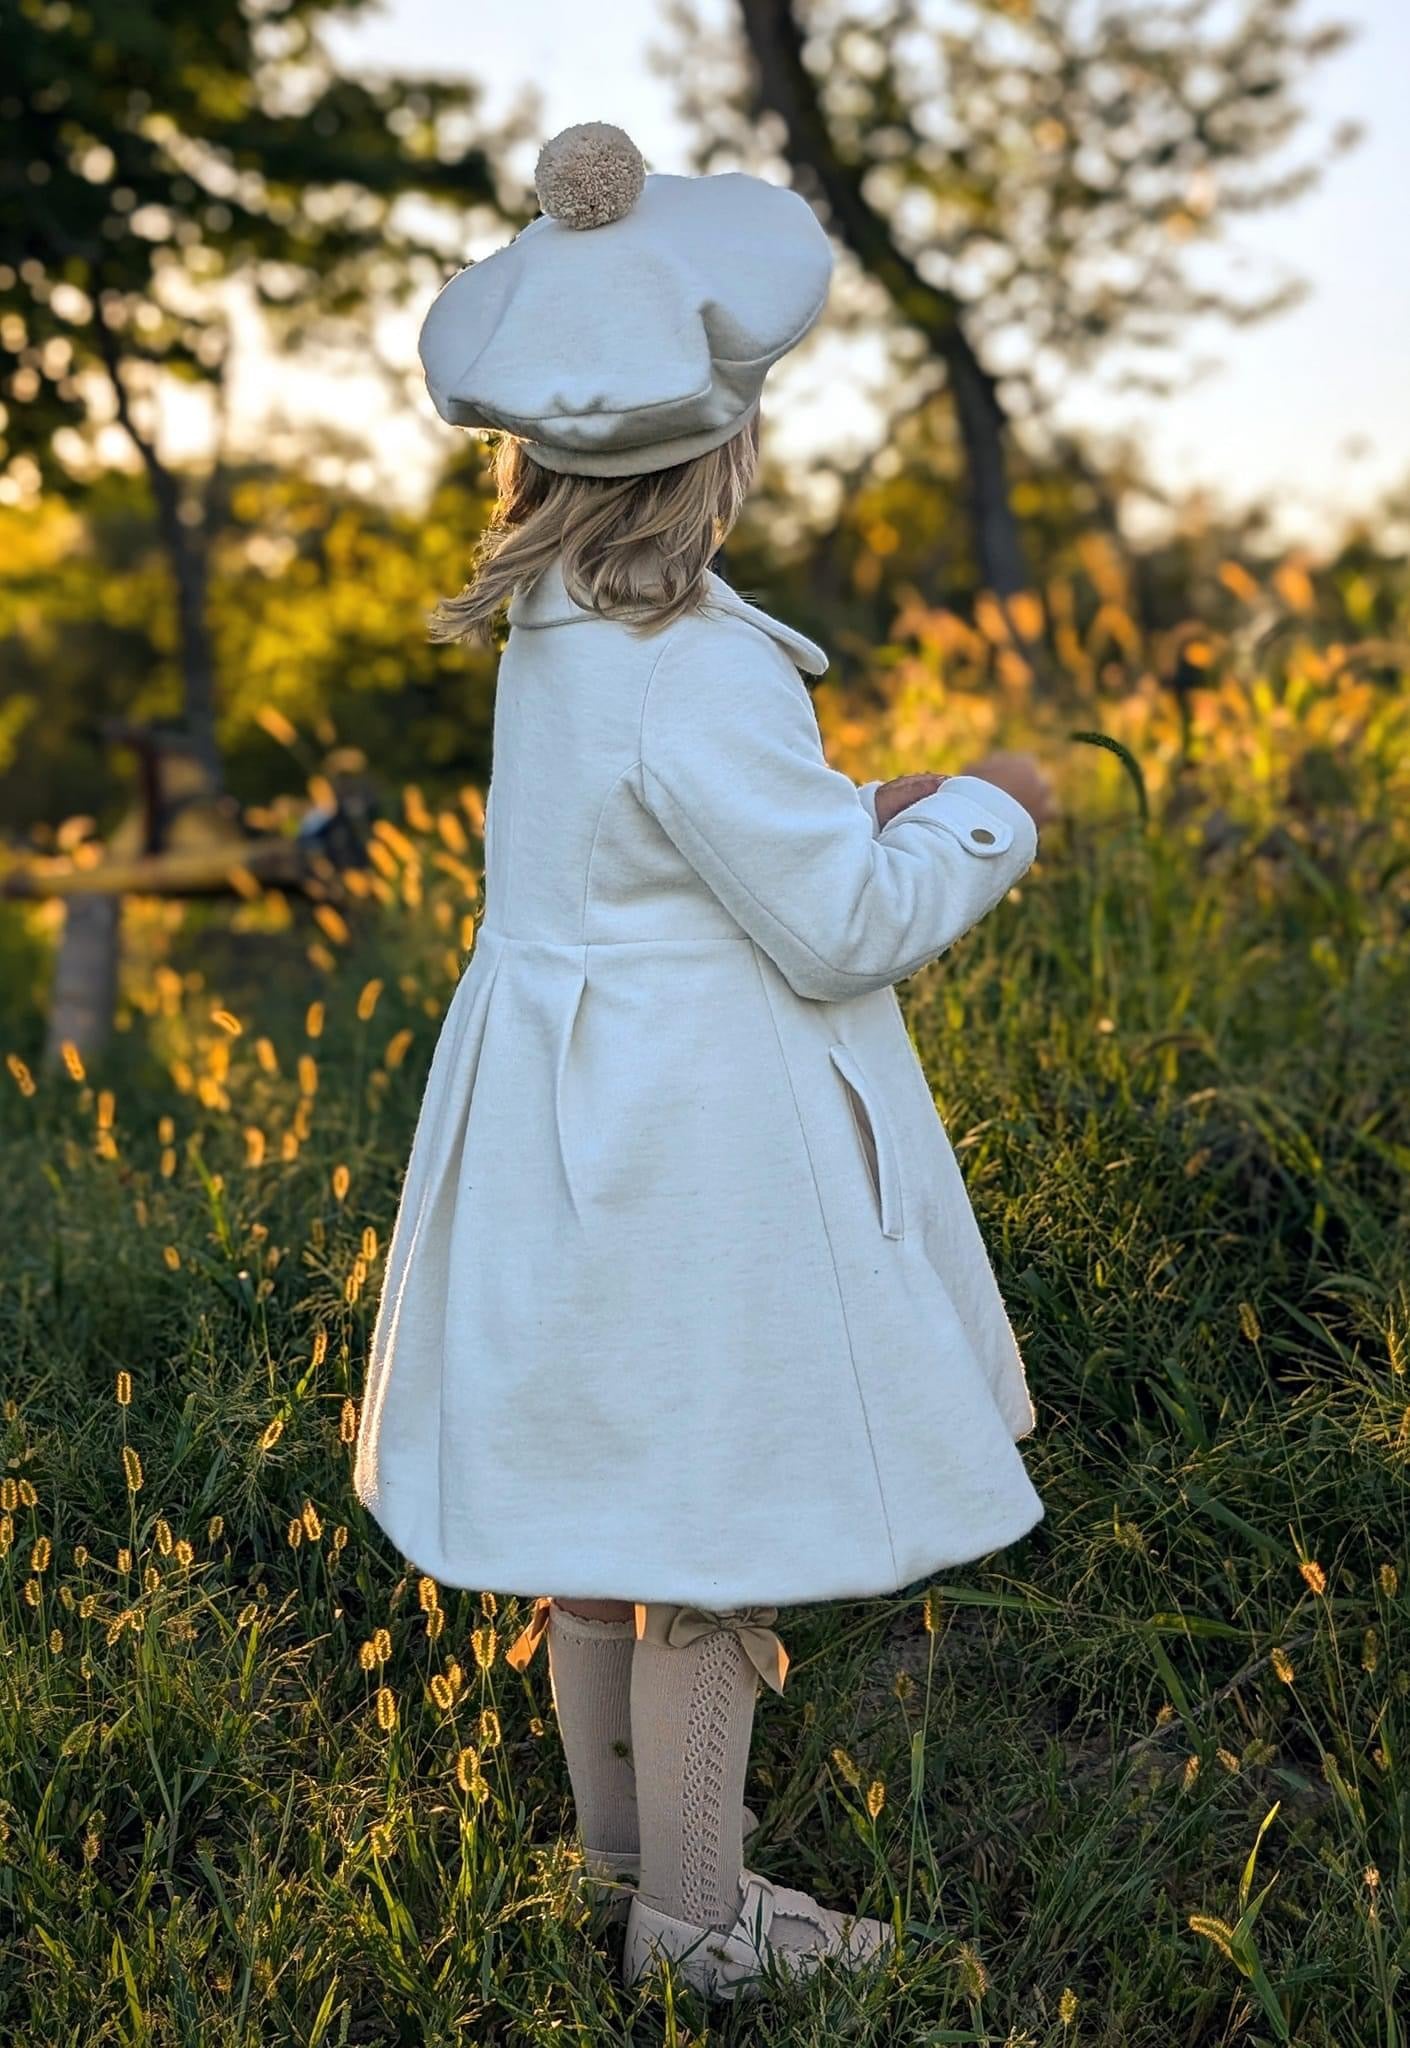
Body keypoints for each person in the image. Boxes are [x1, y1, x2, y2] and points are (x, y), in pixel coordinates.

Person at [353, 121, 1054, 2004]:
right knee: (710, 1514)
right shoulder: (707, 659)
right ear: (725, 440)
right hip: (690, 1143)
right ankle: (698, 1916)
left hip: (568, 1111)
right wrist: (983, 813)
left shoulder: (565, 626)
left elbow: (673, 841)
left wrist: (841, 809)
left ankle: (613, 1858)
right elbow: (837, 928)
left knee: (607, 1498)